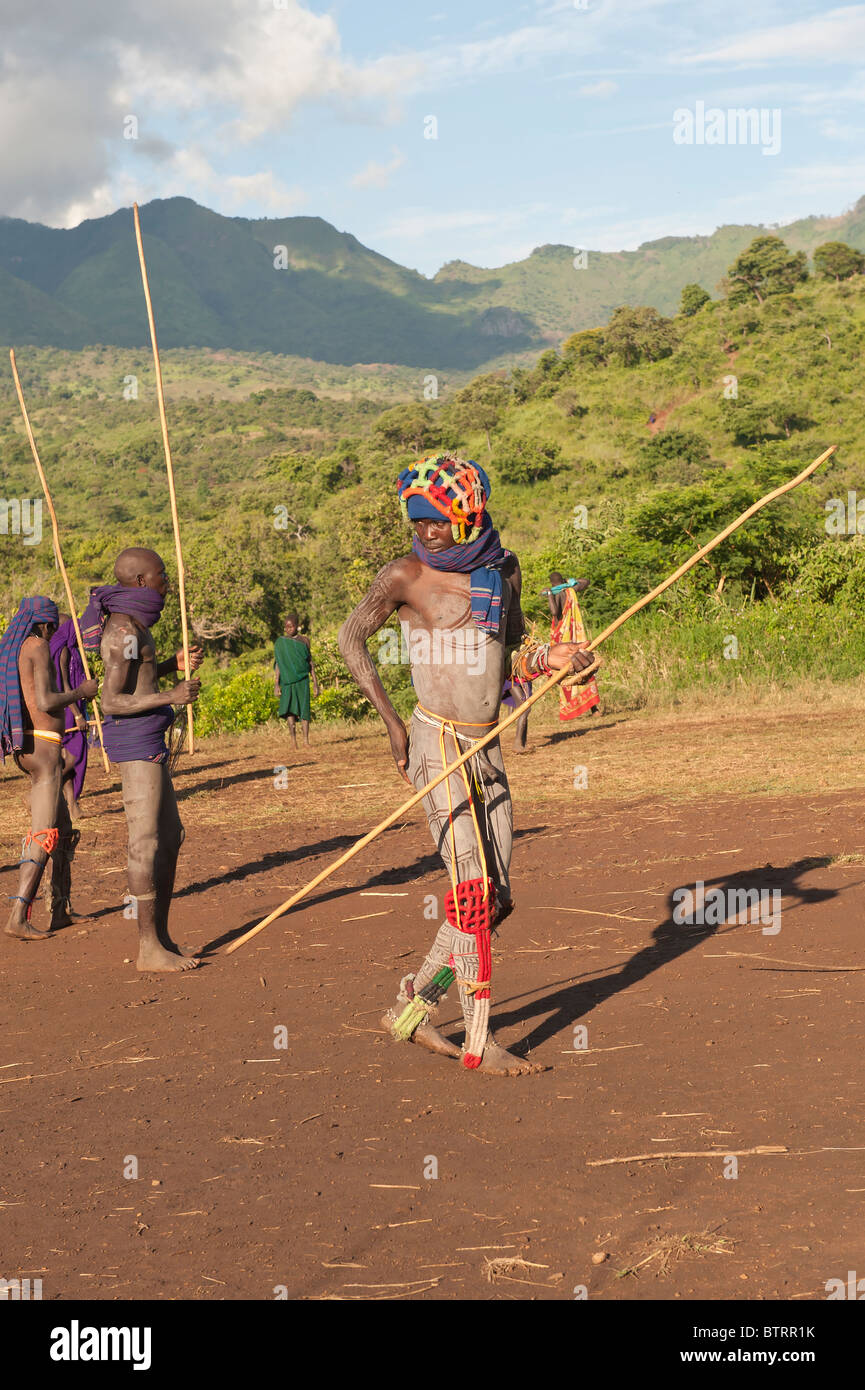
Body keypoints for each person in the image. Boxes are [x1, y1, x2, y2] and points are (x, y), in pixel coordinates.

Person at [338, 454, 595, 1076]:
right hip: (437, 743)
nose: (424, 531)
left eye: (436, 521)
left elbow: (508, 657)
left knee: (496, 898)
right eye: (416, 519)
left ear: (468, 514)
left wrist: (554, 658)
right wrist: (392, 720)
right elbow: (350, 637)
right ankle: (481, 1043)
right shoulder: (406, 576)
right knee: (473, 893)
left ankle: (412, 1006)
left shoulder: (500, 574)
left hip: (489, 741)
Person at [93, 548, 203, 972]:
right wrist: (171, 696)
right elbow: (111, 701)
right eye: (161, 575)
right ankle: (146, 949)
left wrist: (173, 666)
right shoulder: (122, 632)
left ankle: (162, 936)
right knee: (146, 844)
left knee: (171, 836)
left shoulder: (137, 626)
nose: (166, 582)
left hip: (150, 740)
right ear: (140, 581)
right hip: (136, 744)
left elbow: (139, 679)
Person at [0, 596, 98, 940]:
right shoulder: (38, 646)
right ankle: (17, 915)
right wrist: (81, 692)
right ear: (44, 624)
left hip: (31, 744)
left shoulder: (18, 646)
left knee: (65, 830)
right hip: (44, 746)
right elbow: (45, 701)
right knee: (43, 832)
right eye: (52, 625)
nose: (54, 631)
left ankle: (61, 909)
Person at [50, 612, 91, 821]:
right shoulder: (63, 650)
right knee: (75, 756)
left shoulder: (75, 651)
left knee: (70, 757)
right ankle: (36, 796)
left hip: (74, 707)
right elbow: (63, 685)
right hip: (68, 711)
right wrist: (77, 715)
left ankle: (72, 805)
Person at [548, 571, 600, 720]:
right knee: (584, 667)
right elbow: (586, 581)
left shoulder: (558, 594)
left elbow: (554, 611)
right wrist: (571, 582)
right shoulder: (570, 591)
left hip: (562, 643)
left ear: (552, 584)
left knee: (566, 673)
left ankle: (570, 709)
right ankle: (594, 709)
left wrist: (551, 594)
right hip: (574, 639)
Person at [274, 613, 319, 748]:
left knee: (304, 710)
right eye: (286, 627)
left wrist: (315, 683)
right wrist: (276, 684)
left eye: (291, 626)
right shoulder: (281, 643)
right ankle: (293, 742)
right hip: (287, 682)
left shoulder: (304, 641)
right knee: (290, 711)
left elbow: (310, 663)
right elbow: (278, 665)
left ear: (297, 626)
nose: (288, 629)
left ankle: (306, 741)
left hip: (303, 680)